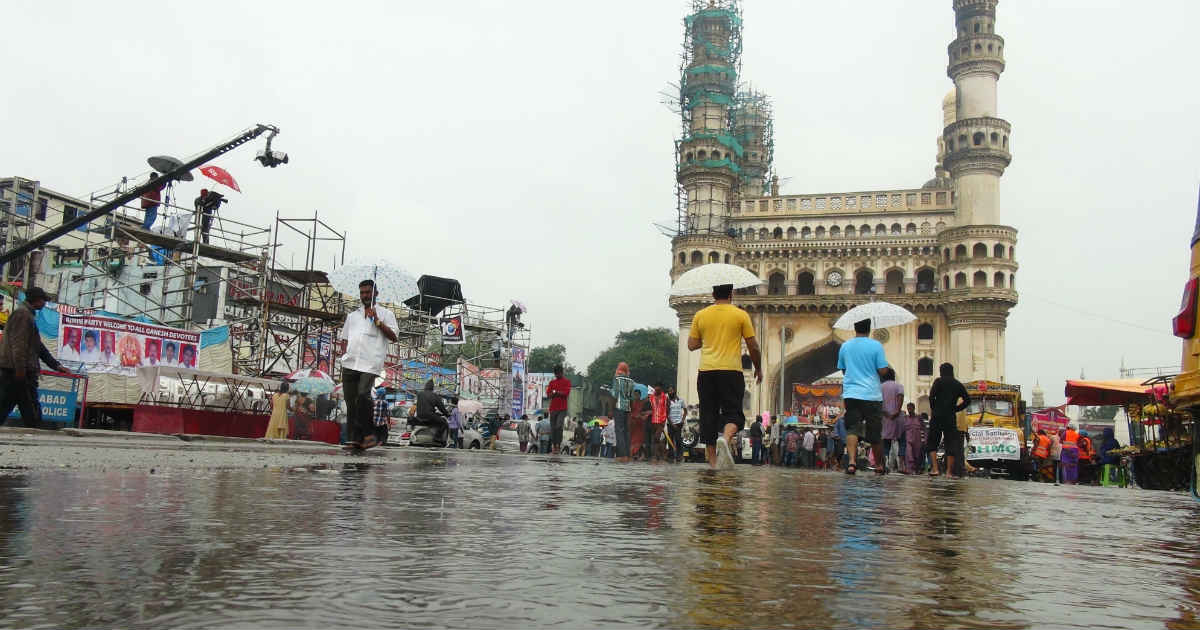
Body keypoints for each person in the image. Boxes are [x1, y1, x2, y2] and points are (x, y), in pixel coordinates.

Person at [687, 283, 762, 469]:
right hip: (731, 370)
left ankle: (713, 463)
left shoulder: (700, 315)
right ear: (732, 294)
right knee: (734, 412)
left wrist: (708, 337)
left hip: (706, 371)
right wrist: (758, 368)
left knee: (708, 415)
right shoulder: (740, 315)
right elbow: (753, 346)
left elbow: (691, 345)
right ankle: (726, 438)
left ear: (713, 294)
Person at [338, 279, 399, 449]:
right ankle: (355, 439)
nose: (365, 295)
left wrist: (378, 321)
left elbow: (394, 337)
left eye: (368, 292)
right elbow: (344, 338)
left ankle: (368, 433)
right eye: (362, 293)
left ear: (376, 294)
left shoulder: (386, 314)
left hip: (370, 363)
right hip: (350, 363)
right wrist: (343, 354)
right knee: (351, 403)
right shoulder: (353, 316)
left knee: (363, 395)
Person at [0, 288, 70, 428]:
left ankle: (33, 429)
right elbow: (18, 345)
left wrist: (56, 365)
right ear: (37, 300)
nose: (44, 303)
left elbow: (38, 347)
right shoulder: (23, 315)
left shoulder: (28, 315)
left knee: (7, 405)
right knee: (30, 408)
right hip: (20, 371)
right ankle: (34, 433)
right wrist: (20, 370)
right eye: (43, 300)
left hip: (16, 370)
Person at [836, 318, 890, 475]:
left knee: (852, 428)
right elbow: (882, 371)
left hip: (852, 394)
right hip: (872, 395)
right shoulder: (876, 346)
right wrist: (884, 369)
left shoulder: (845, 346)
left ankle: (852, 462)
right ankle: (879, 465)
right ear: (869, 329)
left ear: (855, 328)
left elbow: (844, 370)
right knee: (874, 432)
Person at [927, 362, 970, 477]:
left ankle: (935, 469)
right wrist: (956, 409)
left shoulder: (938, 382)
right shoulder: (957, 384)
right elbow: (967, 400)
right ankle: (949, 472)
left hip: (937, 416)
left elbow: (931, 396)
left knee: (932, 442)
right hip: (950, 416)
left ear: (941, 371)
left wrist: (934, 408)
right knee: (950, 443)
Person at [880, 367, 904, 473]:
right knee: (901, 441)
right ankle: (901, 465)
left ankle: (884, 463)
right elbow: (900, 397)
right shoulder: (898, 386)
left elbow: (878, 401)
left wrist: (885, 413)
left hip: (885, 418)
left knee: (886, 442)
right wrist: (897, 411)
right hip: (898, 418)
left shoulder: (880, 387)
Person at [611, 363, 636, 463]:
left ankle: (622, 455)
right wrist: (631, 409)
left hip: (619, 407)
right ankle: (628, 455)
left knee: (619, 431)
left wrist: (612, 409)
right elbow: (632, 398)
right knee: (626, 431)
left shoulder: (617, 379)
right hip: (627, 408)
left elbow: (615, 394)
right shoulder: (631, 381)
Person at [414, 379, 450, 444]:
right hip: (429, 416)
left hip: (419, 416)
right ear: (432, 387)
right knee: (444, 423)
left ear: (425, 386)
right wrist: (447, 414)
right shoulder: (434, 395)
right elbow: (441, 408)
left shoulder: (419, 394)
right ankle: (437, 437)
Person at [546, 365, 571, 454]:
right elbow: (548, 395)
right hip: (553, 408)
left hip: (562, 408)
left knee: (559, 426)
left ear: (562, 372)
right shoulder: (552, 382)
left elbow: (566, 393)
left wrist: (556, 392)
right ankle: (554, 445)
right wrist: (555, 393)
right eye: (556, 374)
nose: (557, 375)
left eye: (559, 373)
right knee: (553, 428)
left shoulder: (567, 382)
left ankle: (558, 445)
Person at [648, 383, 669, 463]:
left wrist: (664, 420)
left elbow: (668, 408)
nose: (656, 390)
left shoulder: (665, 397)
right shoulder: (651, 397)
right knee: (656, 439)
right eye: (655, 389)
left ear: (661, 389)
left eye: (658, 389)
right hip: (653, 421)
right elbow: (650, 407)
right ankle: (659, 455)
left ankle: (659, 455)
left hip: (662, 421)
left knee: (657, 438)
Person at [901, 402, 922, 474]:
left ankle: (916, 469)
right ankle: (909, 469)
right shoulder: (905, 418)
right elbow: (902, 428)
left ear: (914, 408)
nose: (909, 410)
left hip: (917, 439)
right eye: (908, 408)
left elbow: (924, 428)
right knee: (909, 454)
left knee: (917, 455)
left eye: (910, 408)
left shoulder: (919, 417)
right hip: (908, 439)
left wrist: (925, 437)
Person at [667, 387, 686, 463]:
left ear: (674, 391)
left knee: (678, 440)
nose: (669, 392)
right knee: (670, 441)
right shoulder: (667, 401)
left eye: (671, 391)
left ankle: (679, 456)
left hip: (679, 424)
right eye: (668, 391)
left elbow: (685, 411)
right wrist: (672, 424)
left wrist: (682, 420)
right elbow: (667, 414)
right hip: (670, 424)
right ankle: (671, 457)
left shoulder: (681, 401)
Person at [629, 390, 648, 461]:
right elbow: (629, 412)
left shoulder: (643, 403)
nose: (636, 396)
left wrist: (641, 415)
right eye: (635, 395)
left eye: (637, 395)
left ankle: (640, 454)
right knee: (633, 440)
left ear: (640, 395)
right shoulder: (632, 402)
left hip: (640, 423)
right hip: (633, 423)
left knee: (640, 440)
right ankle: (633, 454)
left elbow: (644, 412)